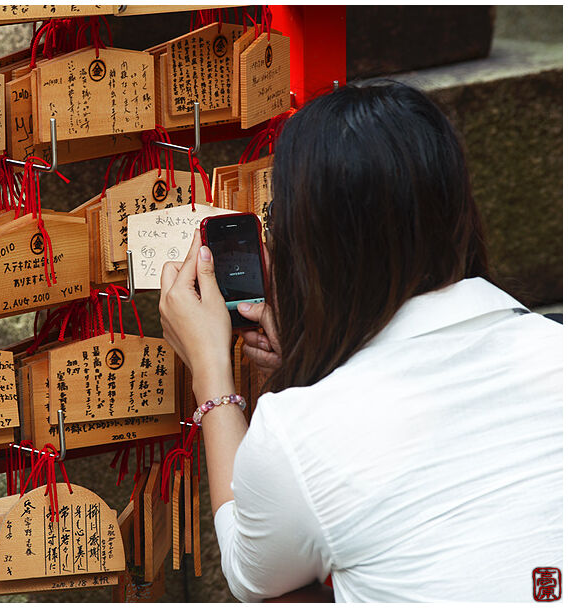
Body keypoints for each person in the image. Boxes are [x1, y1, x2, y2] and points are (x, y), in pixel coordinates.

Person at [159, 82, 562, 602]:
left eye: (278, 218)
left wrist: (211, 368)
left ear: (315, 244)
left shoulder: (300, 431)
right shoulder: (553, 345)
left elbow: (250, 573)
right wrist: (320, 367)